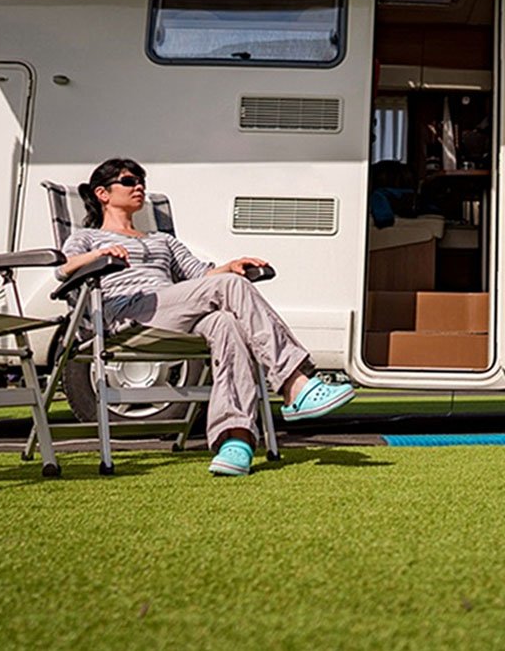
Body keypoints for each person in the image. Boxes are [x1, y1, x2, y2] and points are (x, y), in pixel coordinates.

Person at [57, 158, 355, 476]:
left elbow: (203, 275)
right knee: (228, 288)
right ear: (103, 193)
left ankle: (235, 441)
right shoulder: (87, 238)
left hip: (169, 314)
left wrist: (232, 265)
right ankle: (294, 383)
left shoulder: (162, 241)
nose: (139, 186)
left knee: (225, 322)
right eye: (129, 181)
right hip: (128, 315)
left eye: (142, 180)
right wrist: (99, 255)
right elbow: (63, 268)